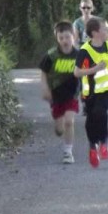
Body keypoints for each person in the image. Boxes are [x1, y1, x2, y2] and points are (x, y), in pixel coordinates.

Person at [74, 17, 108, 168]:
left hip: (106, 88)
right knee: (92, 118)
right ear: (95, 33)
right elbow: (77, 72)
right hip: (90, 90)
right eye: (105, 29)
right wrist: (94, 69)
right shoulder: (85, 50)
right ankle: (93, 146)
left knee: (101, 111)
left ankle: (105, 142)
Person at [39, 21, 80, 164]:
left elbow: (86, 72)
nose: (65, 41)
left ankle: (68, 152)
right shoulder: (51, 55)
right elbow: (44, 72)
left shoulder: (79, 55)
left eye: (67, 37)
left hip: (72, 94)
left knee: (69, 122)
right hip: (56, 95)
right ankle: (58, 127)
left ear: (73, 36)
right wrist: (45, 88)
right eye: (61, 38)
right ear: (57, 39)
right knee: (59, 130)